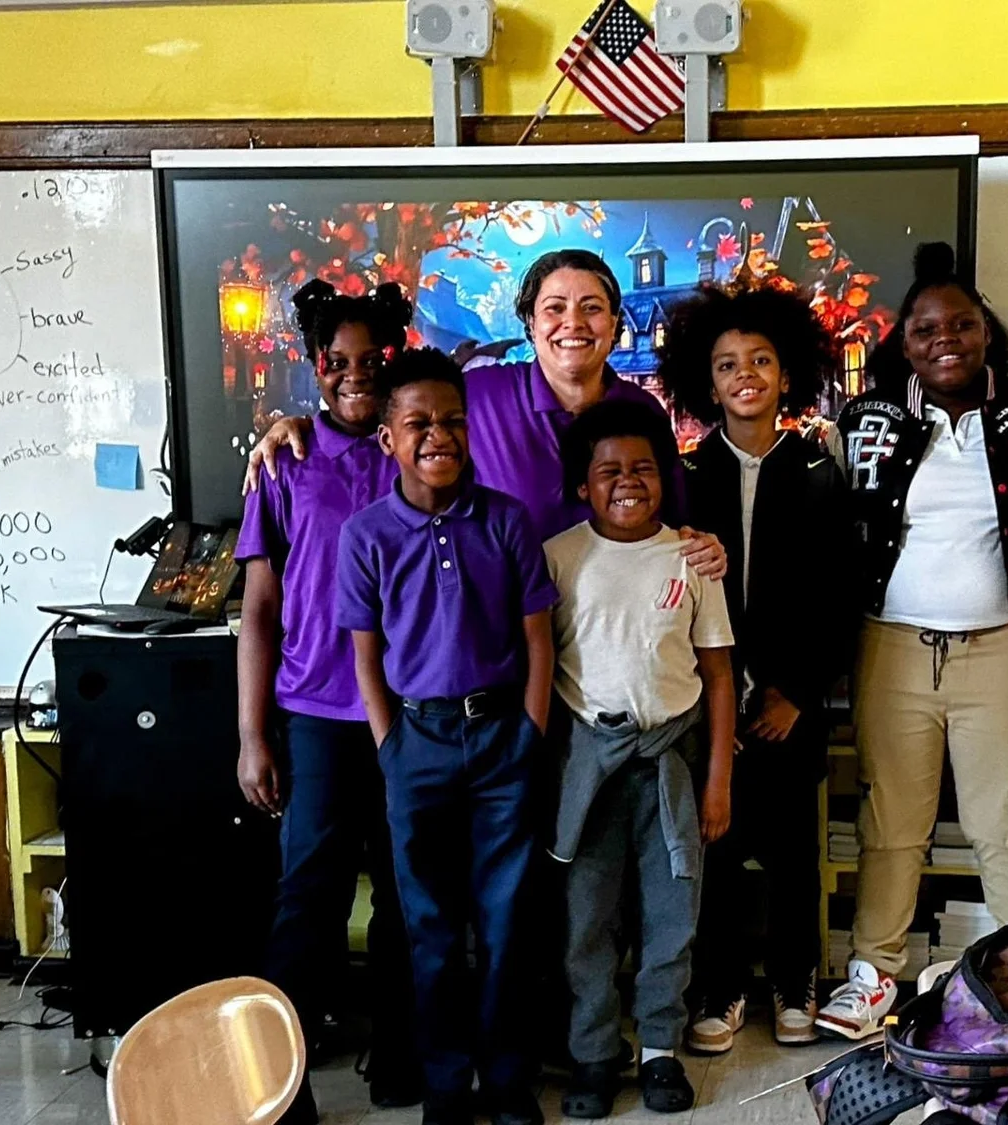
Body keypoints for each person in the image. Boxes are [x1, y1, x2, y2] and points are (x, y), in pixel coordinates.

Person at [818, 243, 1008, 1041]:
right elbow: (831, 519)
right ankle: (874, 978)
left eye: (964, 324)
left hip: (998, 647)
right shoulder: (863, 419)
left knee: (1004, 818)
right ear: (902, 342)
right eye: (926, 328)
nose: (947, 338)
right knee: (892, 818)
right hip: (893, 648)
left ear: (987, 332)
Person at [335, 348, 557, 1125]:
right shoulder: (365, 534)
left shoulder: (505, 520)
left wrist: (530, 729)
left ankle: (506, 1079)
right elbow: (366, 653)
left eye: (453, 421)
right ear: (390, 437)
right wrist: (390, 742)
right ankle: (444, 1082)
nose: (440, 435)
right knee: (428, 927)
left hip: (502, 739)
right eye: (419, 423)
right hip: (417, 744)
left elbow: (538, 639)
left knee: (506, 922)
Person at [234, 279, 418, 1124]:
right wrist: (252, 735)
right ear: (314, 365)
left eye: (369, 361)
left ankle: (400, 1052)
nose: (353, 376)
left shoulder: (415, 452)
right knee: (307, 894)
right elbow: (260, 608)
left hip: (410, 711)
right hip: (315, 713)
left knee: (405, 890)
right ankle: (280, 1075)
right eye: (336, 362)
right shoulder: (286, 460)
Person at [245, 248, 724, 567]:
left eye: (592, 308)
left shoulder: (643, 411)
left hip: (612, 646)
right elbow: (396, 412)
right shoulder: (479, 394)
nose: (572, 322)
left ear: (615, 324)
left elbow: (677, 529)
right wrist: (299, 425)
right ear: (531, 324)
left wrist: (705, 547)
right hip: (509, 643)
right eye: (554, 307)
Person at [657, 282, 853, 1053]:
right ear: (705, 383)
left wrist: (799, 693)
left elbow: (842, 597)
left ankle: (796, 976)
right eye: (728, 363)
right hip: (710, 704)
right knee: (717, 847)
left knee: (794, 849)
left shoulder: (818, 469)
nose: (746, 374)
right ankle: (722, 982)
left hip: (790, 702)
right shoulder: (684, 474)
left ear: (787, 372)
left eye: (762, 360)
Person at [544, 400, 736, 1118]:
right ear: (583, 485)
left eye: (644, 469)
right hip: (586, 770)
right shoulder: (559, 557)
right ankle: (593, 1050)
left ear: (666, 477)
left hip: (670, 763)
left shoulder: (692, 557)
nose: (628, 482)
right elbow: (545, 663)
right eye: (610, 471)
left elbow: (718, 676)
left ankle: (660, 1046)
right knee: (586, 917)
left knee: (670, 911)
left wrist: (718, 780)